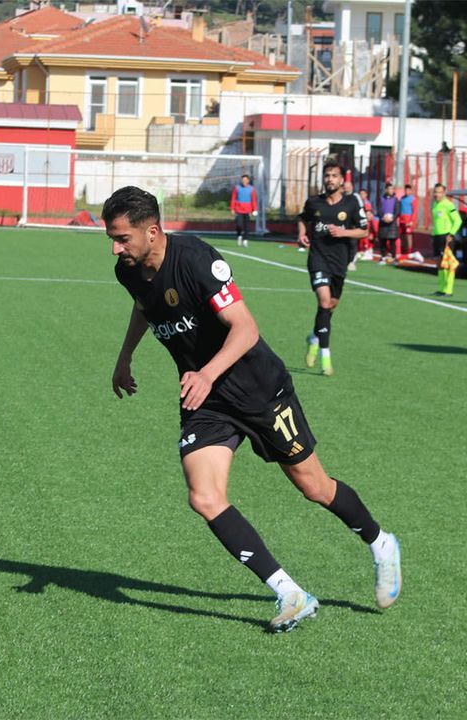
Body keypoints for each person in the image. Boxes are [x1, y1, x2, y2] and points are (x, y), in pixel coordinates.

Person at [103, 185, 401, 633]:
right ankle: (291, 593)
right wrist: (125, 357)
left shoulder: (197, 260)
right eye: (111, 238)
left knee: (315, 487)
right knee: (204, 497)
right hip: (207, 401)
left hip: (258, 389)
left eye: (122, 238)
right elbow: (144, 307)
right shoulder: (127, 270)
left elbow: (245, 328)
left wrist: (207, 372)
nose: (115, 248)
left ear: (152, 231)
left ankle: (381, 543)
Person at [298, 161, 368, 377]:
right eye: (327, 175)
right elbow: (302, 218)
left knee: (330, 307)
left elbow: (364, 231)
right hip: (318, 259)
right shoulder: (314, 202)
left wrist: (343, 232)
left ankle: (314, 338)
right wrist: (302, 233)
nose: (330, 179)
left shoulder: (351, 203)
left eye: (334, 175)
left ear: (342, 180)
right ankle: (325, 357)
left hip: (340, 262)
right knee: (324, 302)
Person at [429, 183, 462, 269]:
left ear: (443, 193)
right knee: (438, 261)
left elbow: (458, 220)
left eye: (439, 192)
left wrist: (451, 234)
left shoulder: (449, 205)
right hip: (436, 236)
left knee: (448, 263)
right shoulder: (434, 204)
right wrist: (433, 234)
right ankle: (441, 278)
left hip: (446, 236)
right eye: (435, 192)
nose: (436, 194)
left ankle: (449, 278)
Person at [229, 174, 258, 247]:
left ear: (248, 180)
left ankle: (245, 240)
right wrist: (232, 208)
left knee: (247, 226)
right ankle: (239, 236)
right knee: (239, 224)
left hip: (248, 210)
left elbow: (253, 199)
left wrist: (255, 209)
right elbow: (233, 198)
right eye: (243, 180)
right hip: (239, 209)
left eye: (245, 180)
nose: (244, 181)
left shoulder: (251, 189)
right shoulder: (237, 188)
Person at [376, 183, 400, 264]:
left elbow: (397, 211)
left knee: (392, 242)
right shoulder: (381, 199)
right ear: (386, 190)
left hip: (392, 223)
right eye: (389, 189)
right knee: (383, 241)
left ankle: (393, 258)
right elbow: (379, 210)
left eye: (392, 189)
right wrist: (383, 217)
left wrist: (392, 218)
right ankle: (383, 257)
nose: (391, 190)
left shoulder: (396, 199)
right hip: (383, 223)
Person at [398, 184, 416, 258]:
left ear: (411, 191)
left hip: (408, 219)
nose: (407, 192)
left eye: (408, 190)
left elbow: (414, 211)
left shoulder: (413, 199)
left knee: (409, 235)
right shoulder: (402, 198)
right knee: (402, 235)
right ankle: (403, 250)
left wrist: (412, 221)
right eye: (406, 190)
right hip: (402, 219)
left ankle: (409, 251)